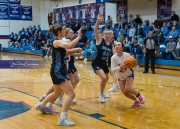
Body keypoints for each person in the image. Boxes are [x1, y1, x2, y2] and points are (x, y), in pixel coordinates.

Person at [34, 24, 82, 126]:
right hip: (58, 70)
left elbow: (66, 52)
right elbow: (69, 46)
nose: (65, 31)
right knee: (71, 94)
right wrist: (78, 37)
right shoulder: (56, 41)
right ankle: (62, 119)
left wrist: (76, 52)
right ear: (59, 31)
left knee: (56, 93)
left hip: (58, 70)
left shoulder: (60, 42)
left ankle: (42, 105)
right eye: (63, 30)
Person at [111, 42, 145, 107]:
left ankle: (139, 95)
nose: (116, 46)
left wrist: (133, 63)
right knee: (125, 93)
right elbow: (112, 70)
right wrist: (120, 66)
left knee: (128, 88)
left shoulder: (127, 55)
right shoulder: (113, 57)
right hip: (120, 76)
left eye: (119, 45)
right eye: (115, 45)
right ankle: (137, 100)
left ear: (122, 48)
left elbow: (133, 64)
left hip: (129, 74)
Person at [91, 13, 113, 102]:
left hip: (104, 63)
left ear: (111, 35)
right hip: (96, 62)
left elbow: (114, 55)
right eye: (106, 34)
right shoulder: (100, 40)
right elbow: (95, 30)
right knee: (103, 78)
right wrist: (98, 20)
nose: (107, 35)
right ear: (103, 34)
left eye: (108, 34)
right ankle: (100, 94)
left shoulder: (111, 45)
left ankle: (102, 92)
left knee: (106, 79)